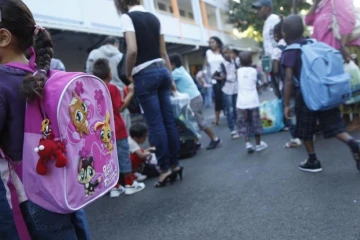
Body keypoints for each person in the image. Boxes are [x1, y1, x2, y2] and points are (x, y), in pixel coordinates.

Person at [0, 0, 91, 239]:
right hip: (63, 182)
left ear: (3, 38)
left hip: (32, 192)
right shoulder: (42, 74)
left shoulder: (2, 82)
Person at [115, 0, 182, 187]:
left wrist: (128, 73)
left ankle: (164, 168)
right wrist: (172, 79)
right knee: (168, 120)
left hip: (144, 74)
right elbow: (163, 52)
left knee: (156, 123)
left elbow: (132, 50)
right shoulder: (154, 18)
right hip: (162, 71)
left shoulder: (127, 18)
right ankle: (175, 164)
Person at [282, 14, 360, 173]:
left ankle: (312, 160)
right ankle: (353, 143)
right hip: (323, 92)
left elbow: (289, 79)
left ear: (284, 33)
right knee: (335, 125)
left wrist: (285, 104)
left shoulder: (289, 52)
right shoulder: (314, 43)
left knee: (305, 129)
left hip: (305, 96)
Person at [92, 58, 145, 197]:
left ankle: (115, 186)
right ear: (108, 73)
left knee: (108, 158)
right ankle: (129, 184)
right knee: (123, 156)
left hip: (102, 131)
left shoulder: (92, 89)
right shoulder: (111, 88)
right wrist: (130, 94)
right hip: (117, 129)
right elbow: (120, 107)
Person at [305, 0, 360, 131]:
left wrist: (343, 47)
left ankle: (357, 119)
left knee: (352, 84)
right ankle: (346, 118)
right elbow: (308, 21)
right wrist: (315, 4)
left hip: (345, 49)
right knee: (340, 86)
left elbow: (348, 20)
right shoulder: (321, 5)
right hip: (331, 52)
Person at [169, 53, 222, 149]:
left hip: (193, 99)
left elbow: (167, 80)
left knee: (198, 121)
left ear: (172, 64)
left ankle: (215, 139)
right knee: (191, 122)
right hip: (195, 98)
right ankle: (196, 142)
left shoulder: (176, 73)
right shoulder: (181, 70)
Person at [271, 19, 302, 148]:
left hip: (288, 86)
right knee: (303, 110)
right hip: (303, 84)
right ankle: (309, 134)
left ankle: (295, 138)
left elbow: (276, 70)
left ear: (277, 35)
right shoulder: (301, 43)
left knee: (290, 112)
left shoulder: (278, 49)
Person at [237, 52, 268, 153]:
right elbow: (259, 83)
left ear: (240, 61)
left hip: (241, 103)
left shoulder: (238, 71)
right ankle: (258, 144)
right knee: (255, 123)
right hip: (253, 101)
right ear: (251, 61)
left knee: (244, 123)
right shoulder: (254, 71)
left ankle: (247, 144)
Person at [252, 0, 281, 97]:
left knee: (283, 91)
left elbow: (280, 41)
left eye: (260, 8)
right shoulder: (267, 22)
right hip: (272, 63)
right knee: (278, 93)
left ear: (267, 8)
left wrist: (276, 61)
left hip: (278, 62)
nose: (257, 11)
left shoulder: (274, 19)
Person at [213, 46, 239, 139]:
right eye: (224, 53)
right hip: (227, 88)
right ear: (222, 55)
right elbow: (213, 76)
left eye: (228, 52)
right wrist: (221, 78)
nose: (227, 55)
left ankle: (238, 127)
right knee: (230, 110)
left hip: (235, 87)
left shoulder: (235, 62)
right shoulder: (221, 65)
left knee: (236, 109)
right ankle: (233, 130)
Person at [204, 36, 225, 125]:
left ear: (218, 42)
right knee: (217, 99)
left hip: (224, 76)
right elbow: (205, 65)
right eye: (210, 42)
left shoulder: (223, 51)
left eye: (213, 42)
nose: (211, 44)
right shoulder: (208, 52)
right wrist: (204, 76)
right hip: (214, 78)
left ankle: (232, 115)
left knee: (227, 97)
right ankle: (217, 119)